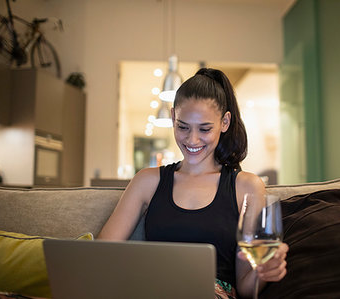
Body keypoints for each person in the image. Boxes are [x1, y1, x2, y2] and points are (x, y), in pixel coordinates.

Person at [98, 68, 289, 298]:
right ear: (172, 118)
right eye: (183, 127)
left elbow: (246, 289)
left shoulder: (247, 187)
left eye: (205, 129)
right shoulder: (147, 181)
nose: (192, 139)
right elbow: (100, 255)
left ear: (225, 122)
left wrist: (263, 272)